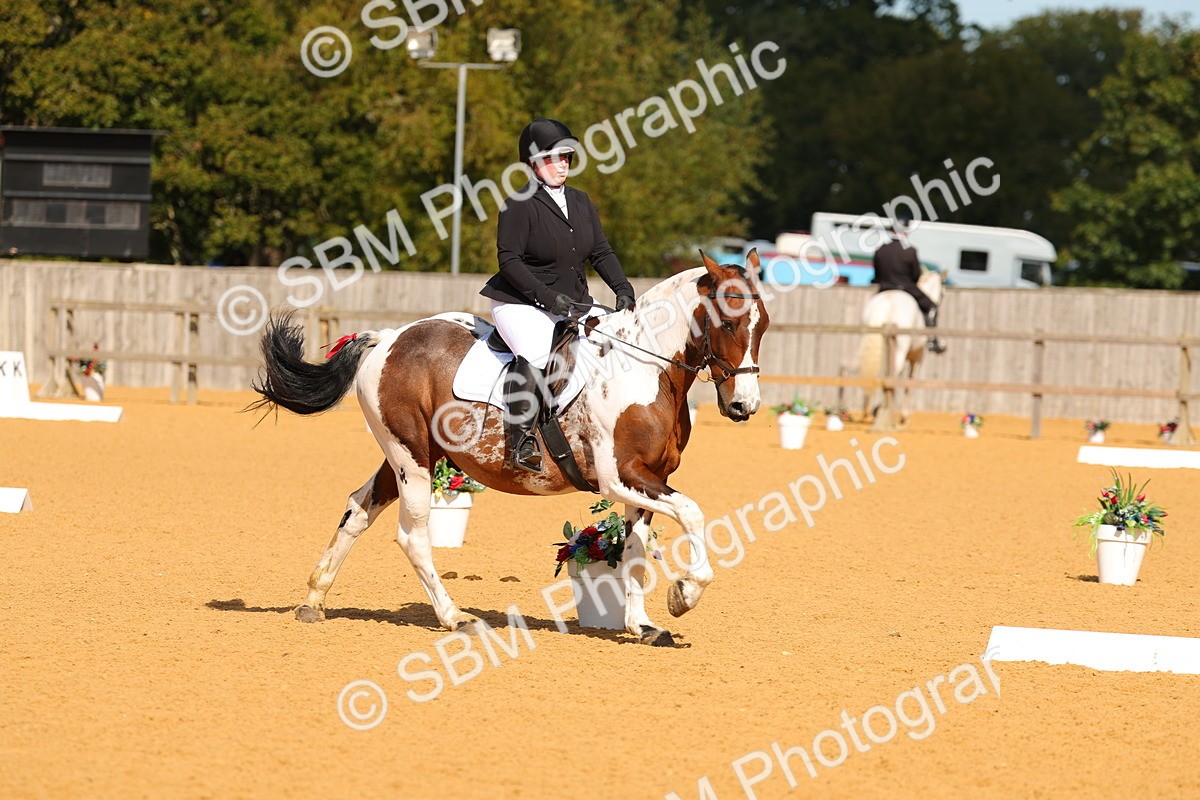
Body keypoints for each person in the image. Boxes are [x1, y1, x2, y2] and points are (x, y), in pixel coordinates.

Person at [481, 118, 636, 473]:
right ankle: (521, 441)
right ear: (534, 163)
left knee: (609, 347)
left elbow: (601, 251)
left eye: (566, 157)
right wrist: (548, 300)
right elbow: (509, 261)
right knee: (535, 352)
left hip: (571, 302)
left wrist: (623, 289)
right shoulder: (519, 203)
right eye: (553, 158)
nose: (562, 164)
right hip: (519, 301)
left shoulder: (581, 202)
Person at [871, 219, 946, 353]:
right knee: (932, 306)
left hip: (884, 288)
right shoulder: (910, 251)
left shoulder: (880, 250)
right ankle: (932, 340)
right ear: (906, 231)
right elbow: (915, 275)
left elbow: (877, 273)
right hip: (906, 287)